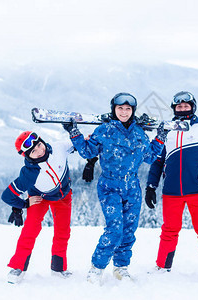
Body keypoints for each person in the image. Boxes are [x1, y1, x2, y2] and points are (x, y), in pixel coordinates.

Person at [62, 92, 168, 284]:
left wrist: (160, 138)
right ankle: (97, 268)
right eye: (120, 108)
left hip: (132, 187)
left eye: (128, 109)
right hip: (110, 185)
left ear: (133, 111)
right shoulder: (104, 131)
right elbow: (87, 150)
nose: (124, 112)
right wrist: (74, 133)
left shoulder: (139, 134)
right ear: (114, 109)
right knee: (115, 228)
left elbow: (150, 157)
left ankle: (121, 267)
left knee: (129, 229)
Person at [145, 91, 198, 283]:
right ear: (174, 109)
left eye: (186, 106)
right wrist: (151, 186)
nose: (183, 109)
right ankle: (163, 266)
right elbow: (157, 162)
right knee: (169, 230)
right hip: (171, 192)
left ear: (193, 107)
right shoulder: (167, 132)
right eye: (179, 107)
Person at [1, 131, 75, 284]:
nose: (40, 151)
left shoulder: (59, 148)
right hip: (39, 198)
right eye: (33, 151)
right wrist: (23, 204)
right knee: (30, 230)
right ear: (27, 156)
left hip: (63, 196)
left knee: (63, 231)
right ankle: (18, 267)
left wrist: (90, 157)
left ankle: (58, 268)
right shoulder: (29, 173)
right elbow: (7, 196)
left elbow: (80, 144)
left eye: (39, 145)